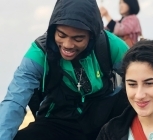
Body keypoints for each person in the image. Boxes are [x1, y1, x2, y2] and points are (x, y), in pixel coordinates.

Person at [0, 0, 130, 139]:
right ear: (53, 30)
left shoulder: (111, 45)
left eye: (78, 38)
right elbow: (15, 100)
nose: (67, 45)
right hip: (59, 121)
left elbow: (141, 76)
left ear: (92, 36)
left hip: (104, 120)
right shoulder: (39, 53)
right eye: (61, 35)